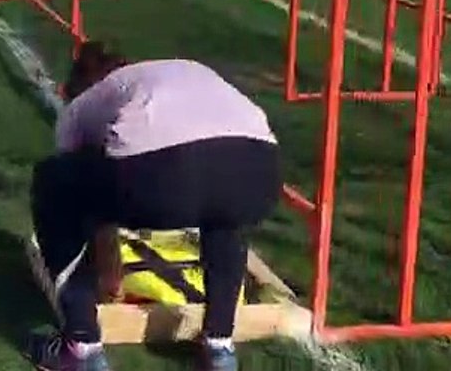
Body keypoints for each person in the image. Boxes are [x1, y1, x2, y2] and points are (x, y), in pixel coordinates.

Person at [27, 43, 281, 371]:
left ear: (69, 91)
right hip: (261, 170)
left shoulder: (85, 104)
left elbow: (81, 195)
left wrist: (108, 266)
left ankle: (81, 349)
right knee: (226, 213)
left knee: (52, 182)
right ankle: (220, 348)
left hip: (162, 177)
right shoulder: (172, 74)